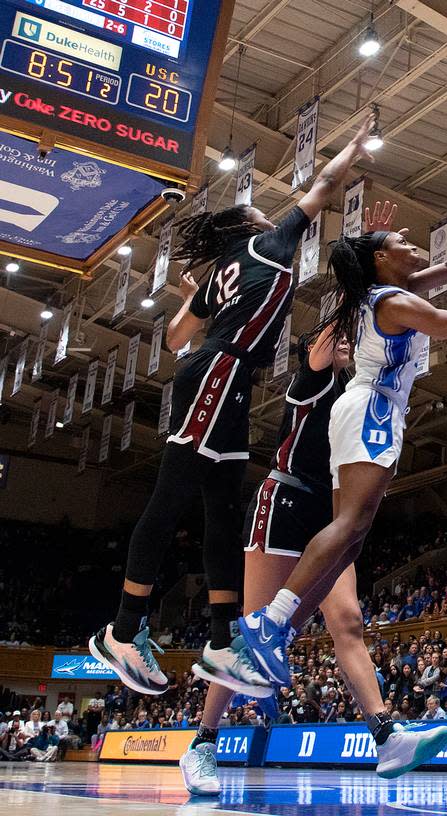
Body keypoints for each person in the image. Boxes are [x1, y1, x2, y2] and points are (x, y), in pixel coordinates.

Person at [89, 115, 378, 697]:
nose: (273, 216)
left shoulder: (218, 272)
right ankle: (122, 629)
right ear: (247, 227)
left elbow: (173, 338)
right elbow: (322, 188)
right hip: (223, 371)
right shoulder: (267, 245)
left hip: (225, 374)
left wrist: (212, 309)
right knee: (172, 496)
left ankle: (223, 642)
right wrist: (351, 146)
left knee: (222, 508)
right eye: (261, 214)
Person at [238, 208, 447, 775]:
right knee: (349, 528)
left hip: (363, 410)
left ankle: (283, 637)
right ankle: (268, 624)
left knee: (351, 547)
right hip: (373, 411)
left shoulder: (389, 290)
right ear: (382, 260)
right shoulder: (393, 301)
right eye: (402, 241)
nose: (414, 244)